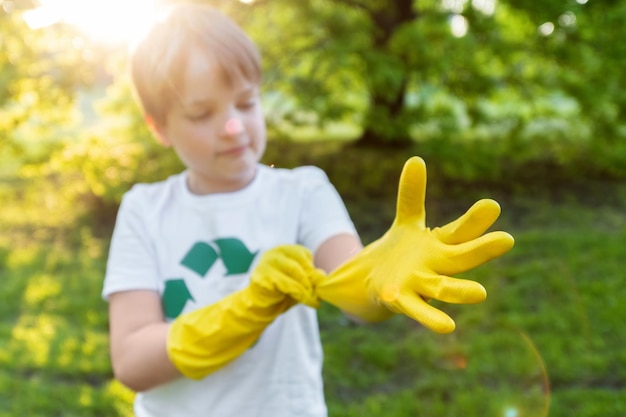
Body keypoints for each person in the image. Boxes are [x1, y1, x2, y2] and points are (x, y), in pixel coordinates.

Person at [102, 3, 514, 417]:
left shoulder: (302, 192)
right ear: (158, 126)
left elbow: (352, 288)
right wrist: (245, 309)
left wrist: (378, 279)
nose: (233, 127)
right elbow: (132, 363)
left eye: (246, 103)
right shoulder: (145, 210)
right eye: (201, 113)